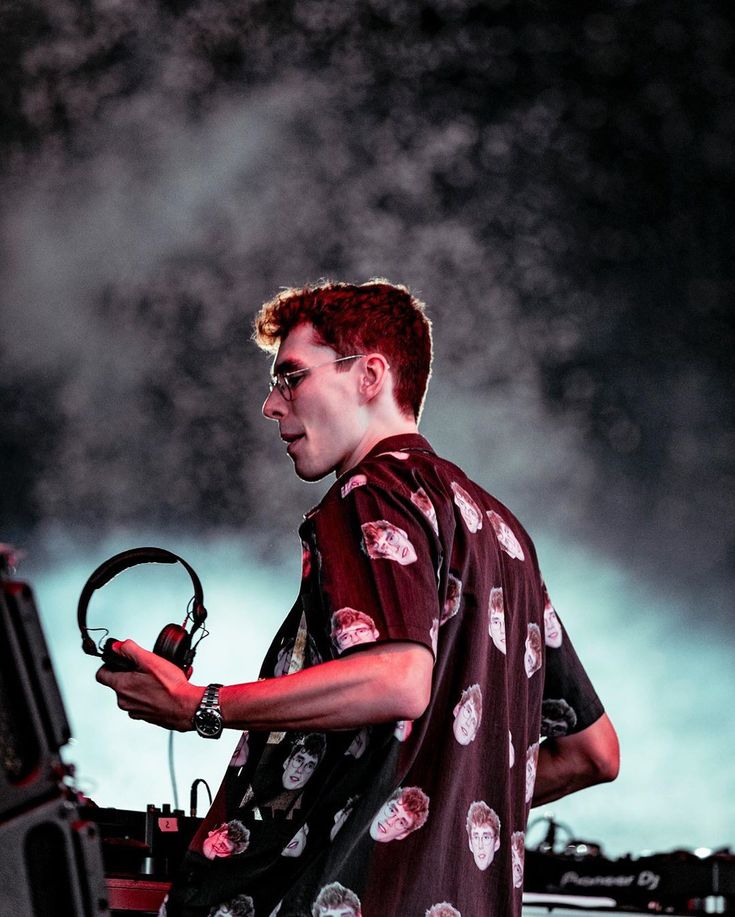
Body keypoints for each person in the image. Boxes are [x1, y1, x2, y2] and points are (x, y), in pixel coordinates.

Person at [96, 280, 619, 916]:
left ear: (370, 375)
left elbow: (397, 678)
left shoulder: (369, 493)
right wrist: (435, 797)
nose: (270, 404)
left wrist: (200, 703)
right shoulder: (504, 535)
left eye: (290, 377)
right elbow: (595, 753)